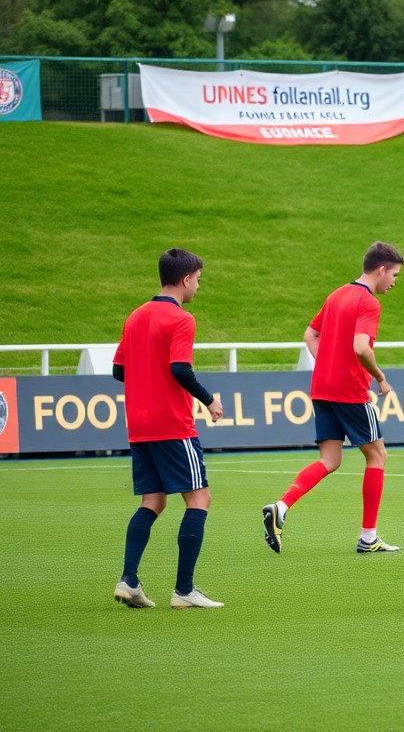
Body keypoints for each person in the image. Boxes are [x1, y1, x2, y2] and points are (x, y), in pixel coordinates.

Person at [262, 241, 404, 555]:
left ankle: (281, 507)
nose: (394, 281)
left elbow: (310, 334)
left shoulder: (337, 294)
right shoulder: (368, 303)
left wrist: (326, 361)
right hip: (350, 390)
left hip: (321, 388)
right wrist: (380, 378)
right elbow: (361, 347)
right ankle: (368, 537)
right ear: (381, 270)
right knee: (377, 456)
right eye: (394, 274)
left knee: (330, 459)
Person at [112, 248, 225, 610]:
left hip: (139, 425)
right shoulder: (181, 320)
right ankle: (184, 590)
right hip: (172, 424)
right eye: (198, 280)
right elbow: (180, 368)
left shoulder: (136, 316)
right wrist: (209, 400)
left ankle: (129, 580)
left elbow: (119, 371)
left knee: (153, 501)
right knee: (199, 498)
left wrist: (147, 379)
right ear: (186, 279)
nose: (198, 287)